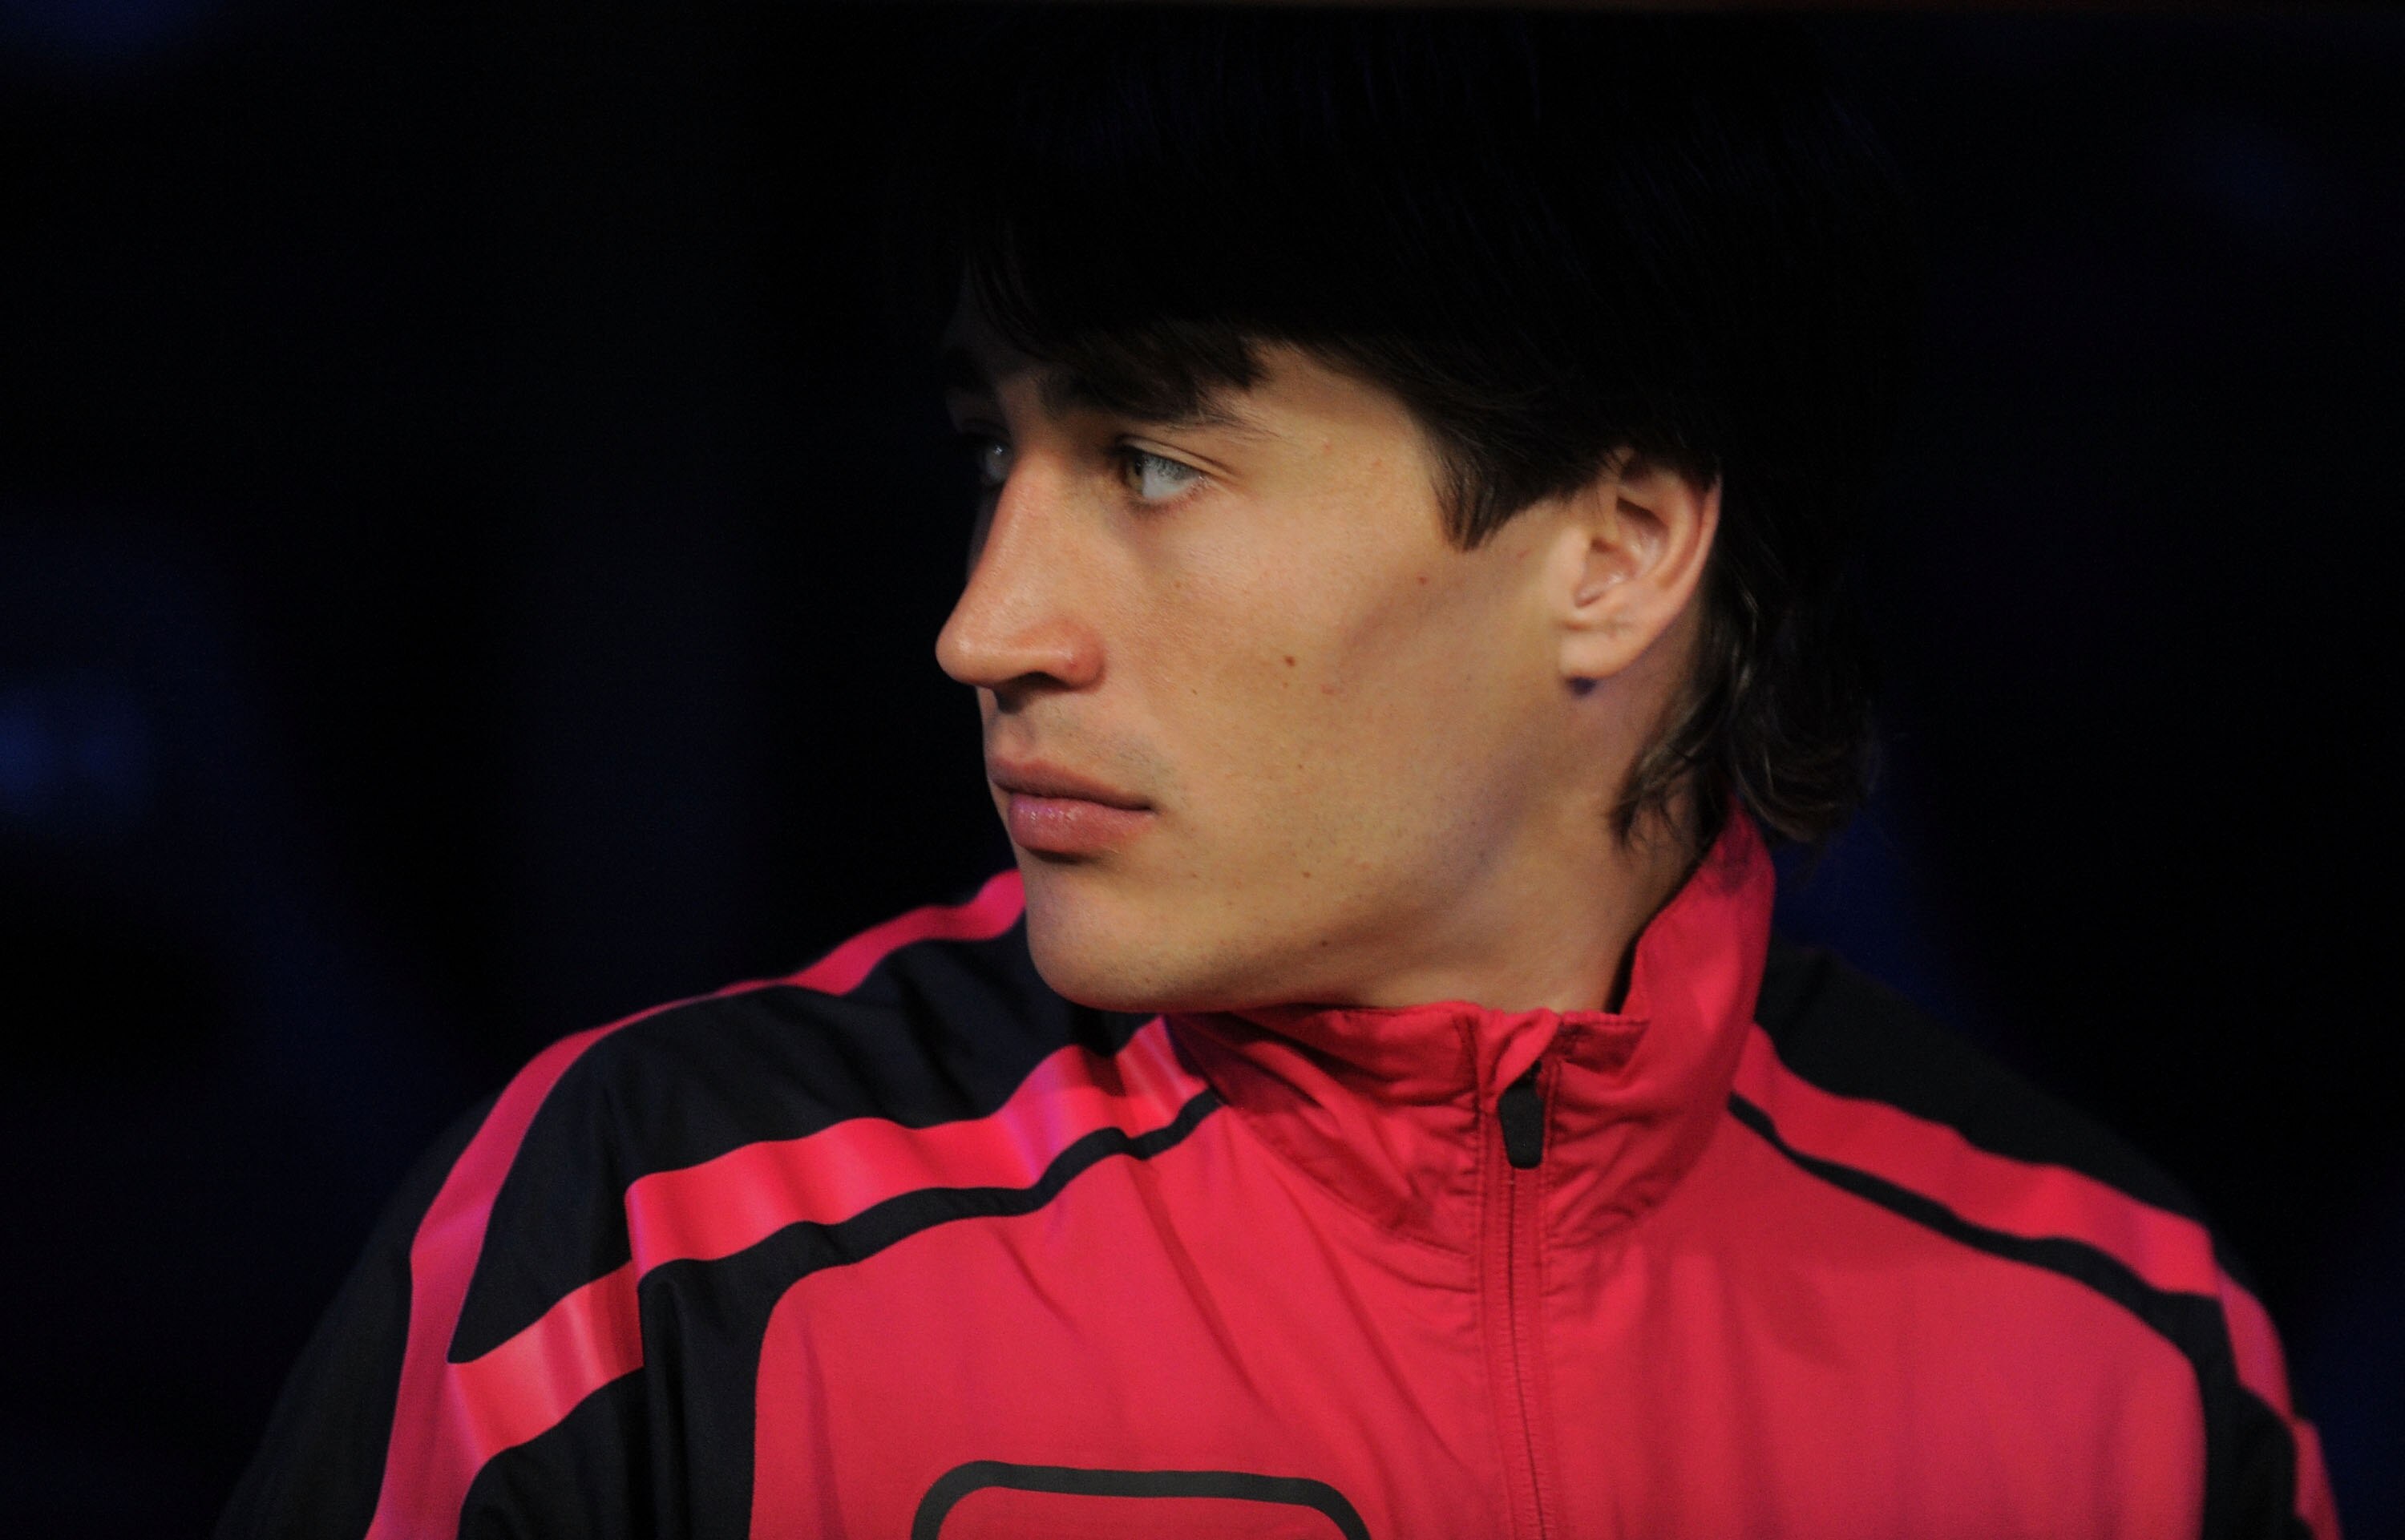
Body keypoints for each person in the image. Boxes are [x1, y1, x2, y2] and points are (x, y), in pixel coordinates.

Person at [220, 13, 2337, 1538]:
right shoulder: (649, 1243)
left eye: (1151, 461)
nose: (986, 623)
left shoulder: (2122, 1362)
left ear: (1615, 550)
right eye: (994, 453)